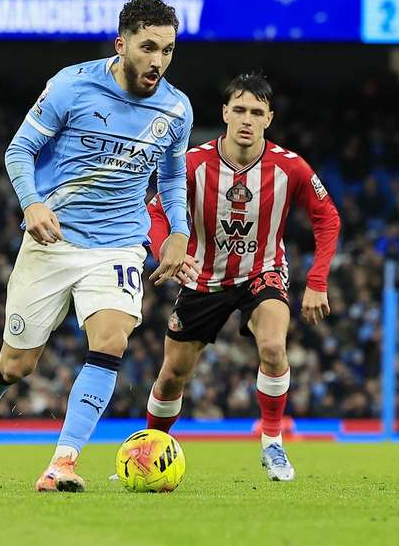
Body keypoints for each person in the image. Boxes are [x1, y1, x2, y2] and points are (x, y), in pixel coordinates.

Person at [0, 0, 199, 492]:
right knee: (18, 365)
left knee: (111, 341)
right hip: (53, 238)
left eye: (168, 50)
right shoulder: (72, 84)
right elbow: (20, 149)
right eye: (148, 47)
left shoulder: (176, 108)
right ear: (121, 44)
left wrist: (178, 231)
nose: (158, 61)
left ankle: (62, 463)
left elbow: (171, 178)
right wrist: (32, 203)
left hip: (119, 244)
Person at [146, 72, 341, 481]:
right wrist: (167, 249)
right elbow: (156, 212)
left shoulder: (290, 167)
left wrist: (318, 280)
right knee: (172, 375)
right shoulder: (193, 163)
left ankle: (272, 443)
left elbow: (327, 218)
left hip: (262, 272)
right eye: (239, 110)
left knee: (273, 346)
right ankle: (150, 450)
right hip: (202, 278)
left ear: (269, 118)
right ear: (225, 113)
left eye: (256, 112)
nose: (247, 119)